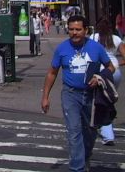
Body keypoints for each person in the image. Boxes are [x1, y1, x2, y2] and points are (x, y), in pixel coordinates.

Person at [41, 14, 115, 172]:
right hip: (70, 94)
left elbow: (110, 67)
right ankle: (77, 168)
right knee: (74, 132)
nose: (74, 33)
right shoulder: (62, 48)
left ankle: (86, 156)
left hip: (91, 95)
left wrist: (100, 77)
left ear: (85, 30)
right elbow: (52, 73)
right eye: (71, 29)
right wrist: (45, 97)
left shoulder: (96, 48)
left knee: (90, 132)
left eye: (78, 29)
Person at [90, 17, 125, 146]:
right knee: (108, 98)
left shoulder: (94, 38)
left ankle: (107, 133)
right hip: (115, 73)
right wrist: (116, 64)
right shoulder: (116, 39)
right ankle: (105, 125)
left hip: (101, 73)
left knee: (101, 101)